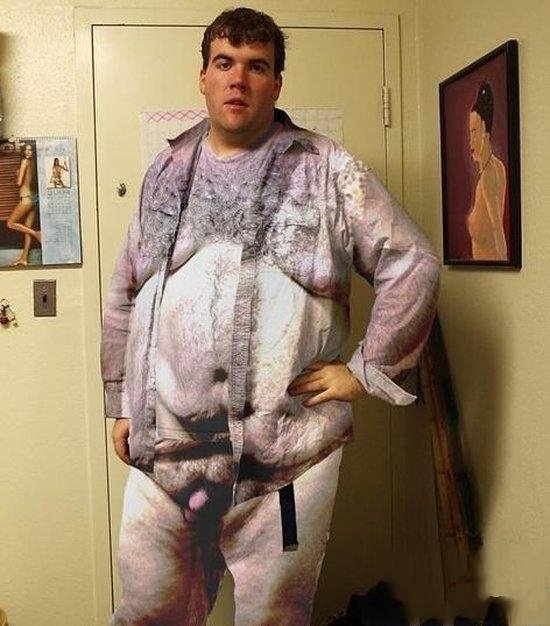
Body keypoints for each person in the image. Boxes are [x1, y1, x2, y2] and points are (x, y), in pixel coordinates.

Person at [101, 7, 440, 625]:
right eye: (224, 63)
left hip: (284, 459)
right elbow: (126, 289)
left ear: (277, 83)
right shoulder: (165, 171)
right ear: (203, 77)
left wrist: (366, 371)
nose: (238, 79)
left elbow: (412, 262)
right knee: (148, 612)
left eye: (257, 67)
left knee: (273, 619)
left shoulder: (327, 168)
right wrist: (123, 402)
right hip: (166, 451)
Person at [467, 82, 507, 261]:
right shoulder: (496, 167)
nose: (470, 141)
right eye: (469, 133)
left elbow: (498, 231)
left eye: (474, 131)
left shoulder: (489, 175)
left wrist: (505, 265)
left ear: (484, 128)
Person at [6, 143, 40, 266]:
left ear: (33, 151)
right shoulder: (33, 164)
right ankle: (24, 258)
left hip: (25, 198)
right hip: (33, 198)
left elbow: (19, 183)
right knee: (26, 229)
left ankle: (37, 234)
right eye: (26, 150)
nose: (28, 152)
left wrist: (18, 173)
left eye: (30, 150)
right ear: (23, 151)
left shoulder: (25, 162)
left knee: (10, 223)